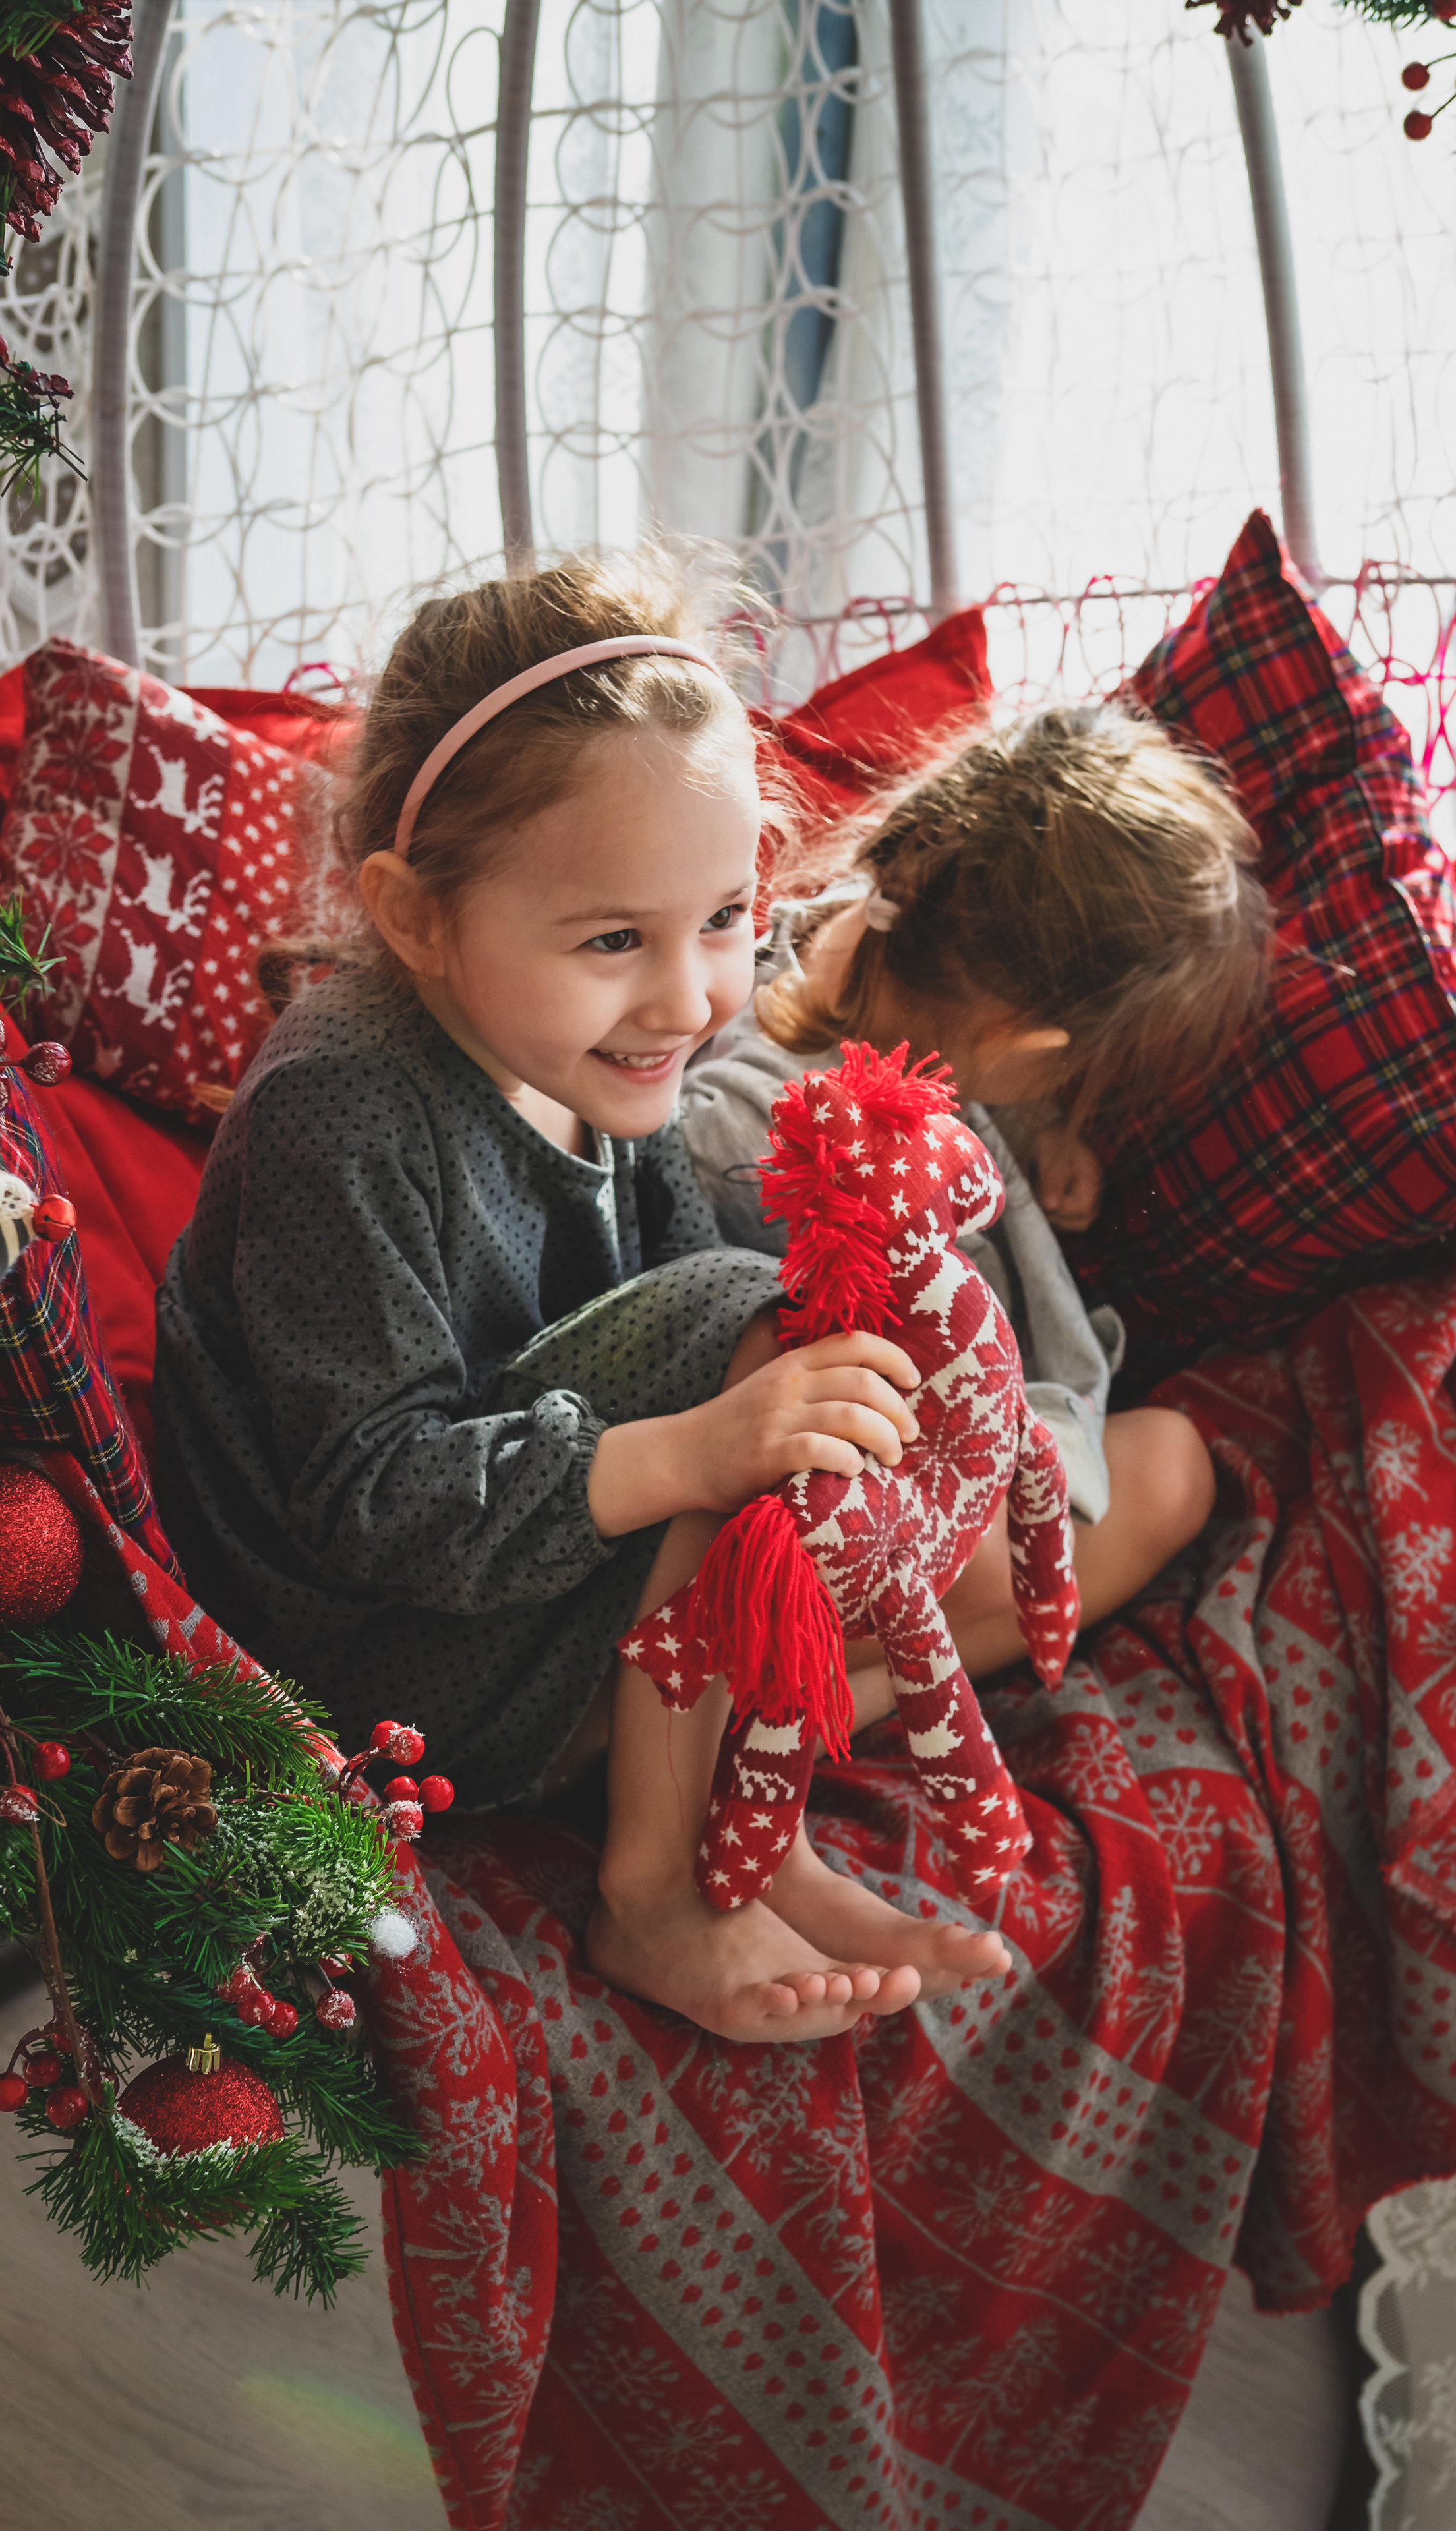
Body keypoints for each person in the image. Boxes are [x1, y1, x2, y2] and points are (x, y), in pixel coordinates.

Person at [156, 547, 1014, 2046]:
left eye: (725, 923)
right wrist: (696, 1447)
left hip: (534, 1603)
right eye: (614, 939)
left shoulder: (606, 1066)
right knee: (748, 1332)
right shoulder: (340, 1107)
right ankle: (656, 1892)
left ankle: (753, 1823)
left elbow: (682, 1296)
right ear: (416, 919)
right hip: (366, 1675)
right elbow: (377, 1501)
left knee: (856, 1393)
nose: (685, 997)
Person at [682, 703, 1271, 1722]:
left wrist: (1039, 1130)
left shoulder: (876, 939)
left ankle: (816, 1699)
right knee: (1012, 1563)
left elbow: (971, 1040)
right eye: (1077, 1073)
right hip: (801, 1514)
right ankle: (769, 1708)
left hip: (937, 1476)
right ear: (1024, 1041)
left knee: (1176, 1467)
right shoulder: (750, 1134)